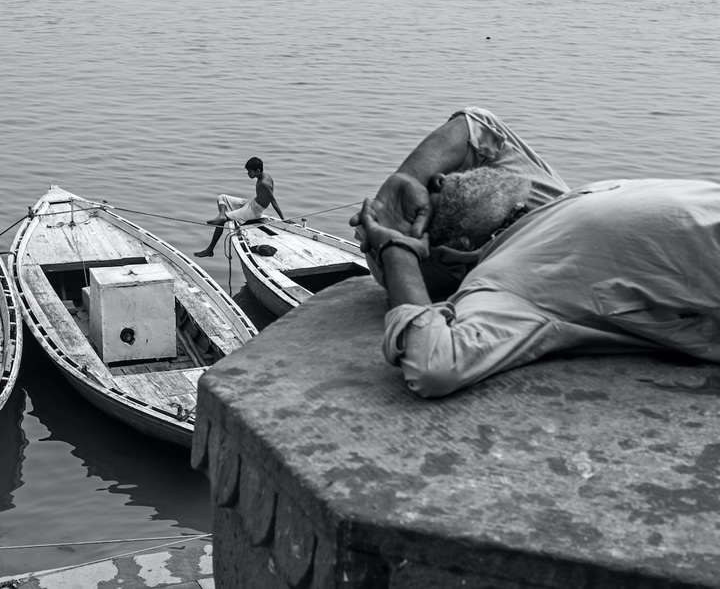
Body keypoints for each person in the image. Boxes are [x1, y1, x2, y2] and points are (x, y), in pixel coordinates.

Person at [357, 168, 720, 398]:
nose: (436, 178)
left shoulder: (520, 254)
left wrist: (396, 249)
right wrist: (406, 191)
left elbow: (432, 363)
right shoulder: (554, 204)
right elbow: (479, 124)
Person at [350, 107, 569, 299]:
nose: (439, 177)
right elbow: (475, 122)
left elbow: (424, 335)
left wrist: (396, 253)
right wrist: (411, 176)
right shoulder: (548, 202)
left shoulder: (489, 281)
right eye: (461, 177)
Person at [195, 157, 286, 258]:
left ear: (258, 171)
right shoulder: (265, 175)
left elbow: (273, 201)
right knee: (222, 197)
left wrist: (283, 219)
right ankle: (221, 215)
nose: (248, 174)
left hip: (254, 211)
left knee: (222, 222)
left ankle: (210, 250)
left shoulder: (263, 183)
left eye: (249, 171)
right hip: (252, 202)